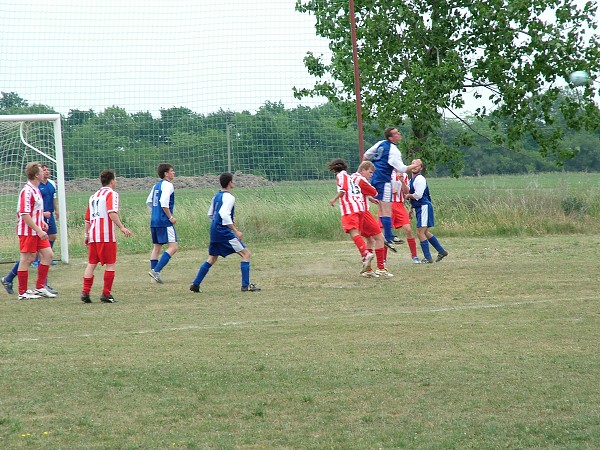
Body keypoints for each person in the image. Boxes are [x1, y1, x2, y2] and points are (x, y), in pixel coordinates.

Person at [190, 172, 260, 293]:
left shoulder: (216, 196)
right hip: (223, 232)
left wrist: (219, 223)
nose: (234, 183)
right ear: (229, 183)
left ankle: (196, 284)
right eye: (233, 181)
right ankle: (245, 285)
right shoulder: (230, 197)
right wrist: (235, 230)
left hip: (214, 230)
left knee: (212, 258)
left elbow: (210, 214)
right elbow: (224, 214)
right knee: (246, 254)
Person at [363, 127, 421, 253]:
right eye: (396, 133)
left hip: (375, 178)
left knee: (384, 209)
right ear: (390, 137)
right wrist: (415, 165)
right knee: (386, 210)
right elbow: (402, 169)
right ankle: (388, 237)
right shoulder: (394, 150)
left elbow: (366, 155)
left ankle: (389, 236)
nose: (399, 134)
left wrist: (366, 171)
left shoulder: (380, 144)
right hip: (384, 180)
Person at [81, 170, 132, 303]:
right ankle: (106, 294)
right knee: (110, 264)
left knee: (91, 264)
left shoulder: (93, 196)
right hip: (106, 235)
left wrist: (86, 234)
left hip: (93, 235)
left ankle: (85, 292)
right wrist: (122, 227)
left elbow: (88, 219)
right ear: (112, 181)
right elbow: (111, 212)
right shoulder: (112, 194)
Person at [15, 162, 56, 300]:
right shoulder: (27, 191)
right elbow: (25, 214)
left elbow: (35, 212)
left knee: (48, 255)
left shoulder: (36, 189)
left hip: (37, 230)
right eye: (41, 171)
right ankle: (22, 292)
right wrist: (38, 229)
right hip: (28, 232)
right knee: (27, 259)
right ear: (36, 175)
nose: (44, 172)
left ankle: (40, 287)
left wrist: (41, 222)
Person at [328, 158, 374, 274]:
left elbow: (343, 190)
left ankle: (366, 254)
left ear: (335, 168)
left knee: (353, 232)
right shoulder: (350, 177)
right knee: (356, 233)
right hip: (359, 207)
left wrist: (334, 199)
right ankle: (365, 260)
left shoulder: (341, 176)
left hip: (350, 208)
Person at [350, 161, 393, 278]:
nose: (371, 175)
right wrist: (372, 194)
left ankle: (368, 269)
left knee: (369, 239)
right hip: (363, 212)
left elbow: (356, 193)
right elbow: (374, 191)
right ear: (363, 170)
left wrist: (368, 198)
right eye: (370, 172)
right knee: (379, 237)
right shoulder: (361, 180)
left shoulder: (352, 177)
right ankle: (381, 268)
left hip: (355, 211)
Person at [406, 161, 449, 264]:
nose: (415, 166)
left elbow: (418, 195)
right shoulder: (412, 179)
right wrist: (411, 208)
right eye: (413, 164)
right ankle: (441, 251)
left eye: (417, 165)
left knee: (420, 231)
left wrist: (407, 196)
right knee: (425, 232)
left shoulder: (419, 179)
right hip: (420, 207)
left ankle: (428, 258)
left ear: (421, 168)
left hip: (424, 206)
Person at [147, 163, 178, 284]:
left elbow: (149, 202)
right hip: (164, 221)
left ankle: (153, 278)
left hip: (154, 220)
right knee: (173, 246)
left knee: (156, 247)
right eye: (172, 170)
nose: (173, 172)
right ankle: (156, 271)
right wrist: (170, 217)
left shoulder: (156, 186)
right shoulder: (168, 185)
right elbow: (164, 202)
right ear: (166, 173)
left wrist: (154, 213)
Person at [388, 169, 421, 263]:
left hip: (399, 205)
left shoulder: (404, 175)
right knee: (385, 231)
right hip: (388, 204)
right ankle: (383, 259)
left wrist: (402, 181)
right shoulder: (386, 172)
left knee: (408, 229)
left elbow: (406, 192)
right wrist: (390, 190)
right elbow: (380, 188)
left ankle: (414, 256)